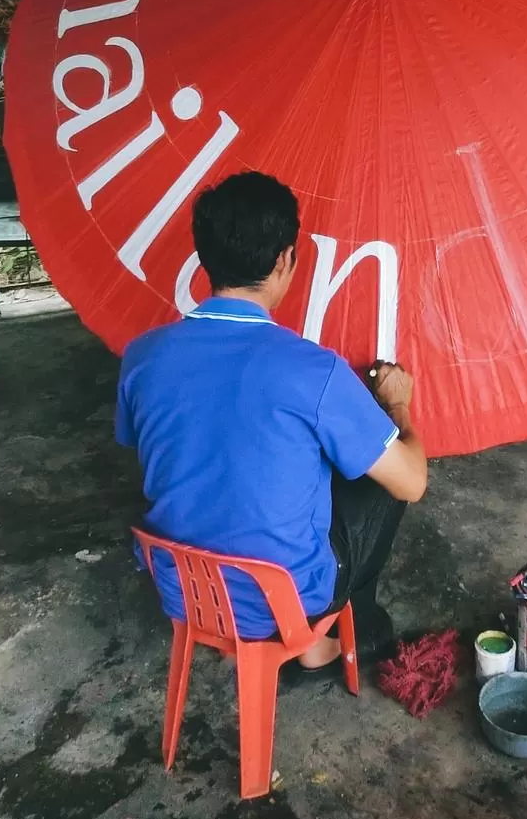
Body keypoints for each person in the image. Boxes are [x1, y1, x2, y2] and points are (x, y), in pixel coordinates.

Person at [116, 170, 427, 669]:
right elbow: (412, 483)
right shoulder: (315, 369)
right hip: (280, 603)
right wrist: (396, 406)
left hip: (182, 590)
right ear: (286, 260)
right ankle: (322, 641)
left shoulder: (141, 356)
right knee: (380, 475)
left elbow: (147, 445)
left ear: (204, 259)